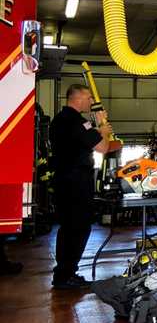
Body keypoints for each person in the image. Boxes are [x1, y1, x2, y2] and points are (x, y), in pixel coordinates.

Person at [49, 84, 113, 289]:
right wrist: (103, 129)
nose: (91, 102)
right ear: (77, 98)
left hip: (63, 181)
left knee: (68, 228)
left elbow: (78, 141)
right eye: (88, 98)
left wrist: (95, 127)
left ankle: (64, 272)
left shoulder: (59, 120)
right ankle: (66, 275)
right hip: (76, 182)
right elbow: (103, 147)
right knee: (79, 227)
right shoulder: (78, 122)